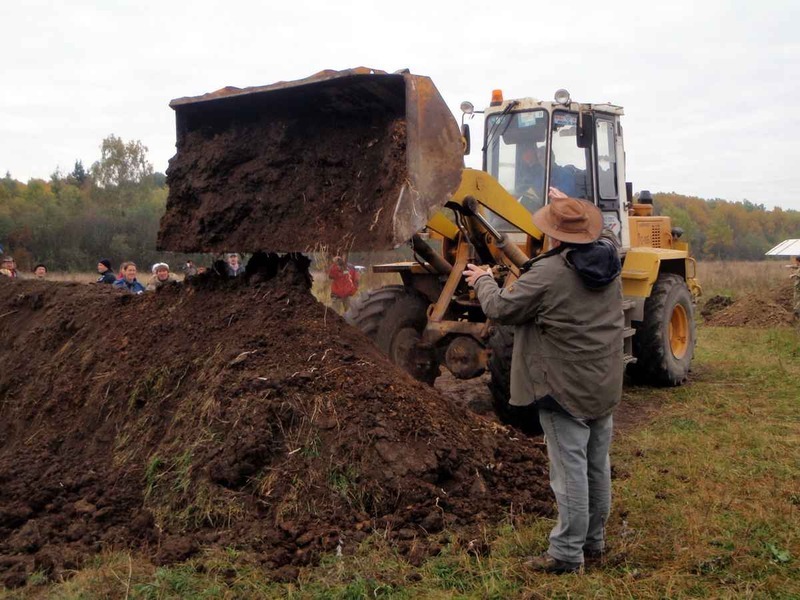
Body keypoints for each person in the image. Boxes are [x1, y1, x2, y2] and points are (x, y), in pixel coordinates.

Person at [463, 196, 624, 574]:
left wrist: (483, 280)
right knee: (596, 465)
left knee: (569, 471)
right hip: (602, 381)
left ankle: (568, 554)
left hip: (562, 387)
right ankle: (593, 542)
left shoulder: (549, 273)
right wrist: (570, 207)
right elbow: (609, 238)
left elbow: (502, 308)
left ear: (552, 234)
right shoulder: (611, 260)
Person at [790, 256, 800, 322]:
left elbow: (798, 274)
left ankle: (796, 311)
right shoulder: (798, 267)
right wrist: (792, 266)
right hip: (797, 287)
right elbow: (798, 267)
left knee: (798, 299)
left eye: (796, 261)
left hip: (799, 287)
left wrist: (793, 275)